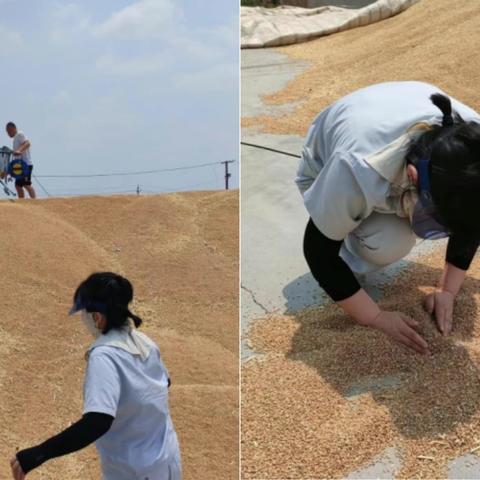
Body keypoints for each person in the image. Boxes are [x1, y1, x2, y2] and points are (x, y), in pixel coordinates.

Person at [297, 81, 480, 355]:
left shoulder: (473, 143)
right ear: (413, 177)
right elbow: (317, 250)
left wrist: (447, 291)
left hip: (392, 107)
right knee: (387, 243)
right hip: (329, 155)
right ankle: (350, 233)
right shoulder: (354, 169)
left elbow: (470, 220)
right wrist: (375, 317)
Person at [10, 272, 181, 480]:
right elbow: (164, 382)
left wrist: (38, 454)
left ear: (98, 317)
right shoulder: (145, 342)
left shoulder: (104, 356)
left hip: (135, 472)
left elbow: (97, 422)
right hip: (168, 462)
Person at [5, 122, 36, 199]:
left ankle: (35, 200)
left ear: (12, 128)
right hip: (19, 166)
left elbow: (28, 143)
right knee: (18, 185)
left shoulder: (19, 134)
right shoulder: (15, 138)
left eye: (8, 131)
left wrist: (19, 150)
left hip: (26, 164)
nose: (8, 134)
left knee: (26, 184)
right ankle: (22, 202)